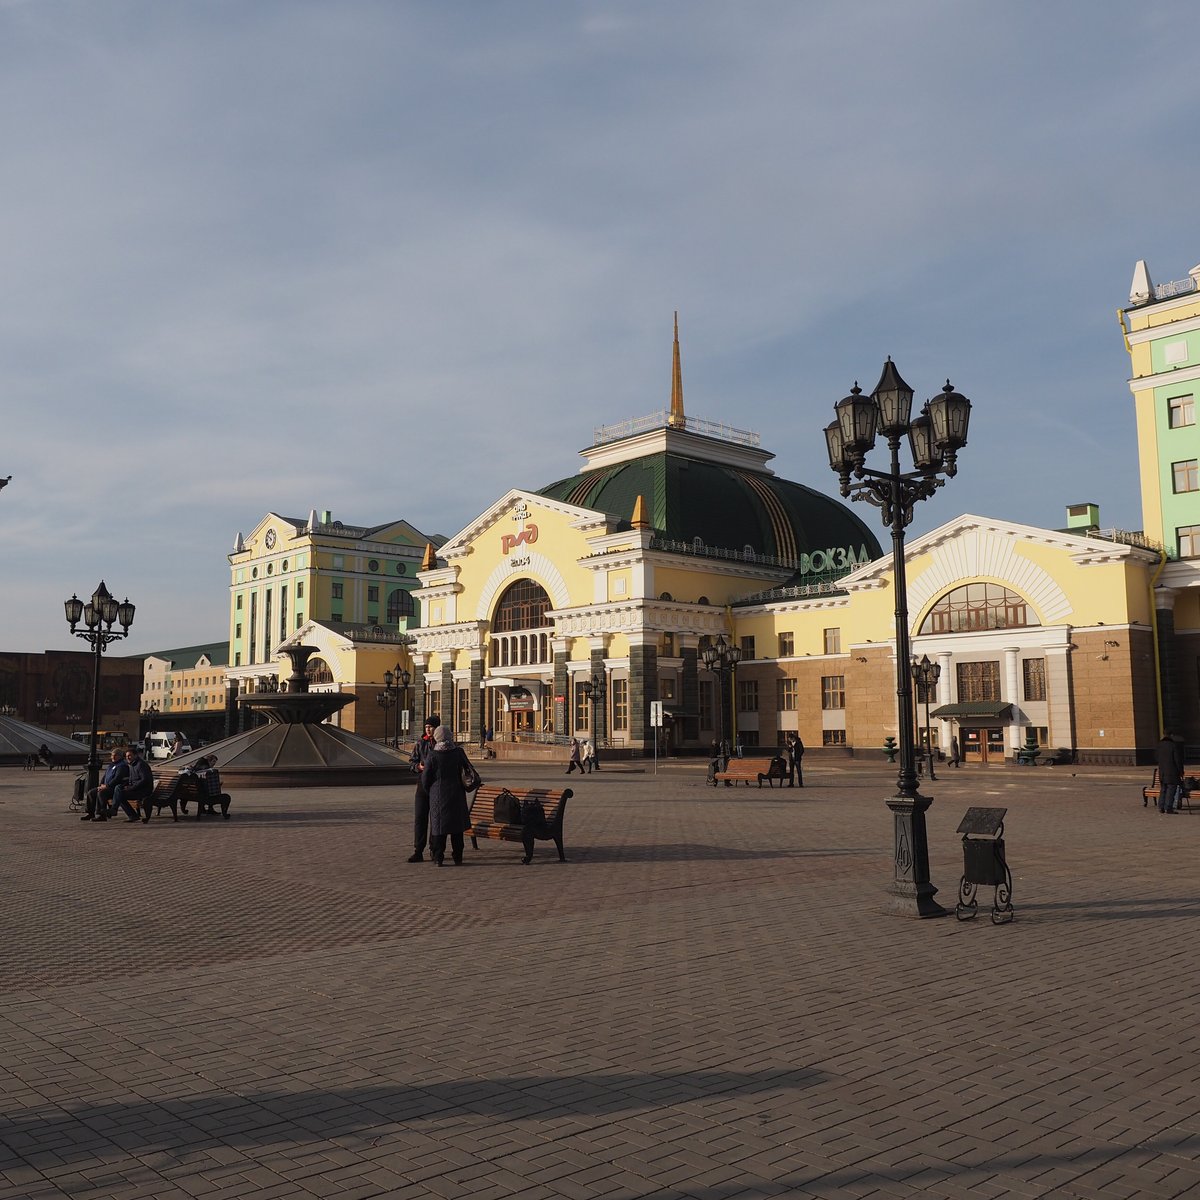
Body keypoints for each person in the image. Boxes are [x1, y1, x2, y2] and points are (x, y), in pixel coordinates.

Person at [422, 725, 472, 866]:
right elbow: (468, 769)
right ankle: (458, 857)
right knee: (457, 828)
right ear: (450, 736)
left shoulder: (433, 755)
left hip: (438, 795)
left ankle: (438, 857)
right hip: (456, 793)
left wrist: (430, 791)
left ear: (437, 738)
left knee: (439, 827)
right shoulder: (458, 752)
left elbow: (425, 778)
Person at [407, 718, 439, 862]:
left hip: (436, 785)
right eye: (426, 727)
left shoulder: (441, 744)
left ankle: (434, 849)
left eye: (431, 727)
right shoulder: (421, 743)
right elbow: (412, 762)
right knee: (420, 818)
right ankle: (418, 850)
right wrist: (418, 767)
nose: (428, 730)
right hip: (422, 785)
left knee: (435, 819)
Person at [81, 749, 129, 821]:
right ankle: (90, 813)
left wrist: (107, 786)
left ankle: (102, 814)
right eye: (112, 755)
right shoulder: (111, 765)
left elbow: (117, 778)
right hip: (106, 787)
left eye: (115, 755)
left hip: (114, 789)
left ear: (120, 756)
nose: (113, 757)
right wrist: (101, 785)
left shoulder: (122, 766)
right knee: (91, 793)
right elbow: (105, 777)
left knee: (101, 793)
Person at [110, 745, 154, 823]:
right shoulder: (132, 765)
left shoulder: (140, 765)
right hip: (136, 789)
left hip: (143, 790)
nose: (128, 758)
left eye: (130, 756)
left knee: (120, 794)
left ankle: (117, 810)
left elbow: (145, 780)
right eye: (127, 756)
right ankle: (129, 814)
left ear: (135, 755)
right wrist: (126, 786)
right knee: (118, 789)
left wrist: (131, 788)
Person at [1156, 731, 1185, 814]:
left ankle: (1161, 807)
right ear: (1171, 735)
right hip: (1172, 772)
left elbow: (1156, 757)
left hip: (1162, 772)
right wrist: (1181, 772)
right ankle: (1168, 807)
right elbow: (1178, 760)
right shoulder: (1173, 746)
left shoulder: (1159, 745)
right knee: (1171, 789)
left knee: (1163, 789)